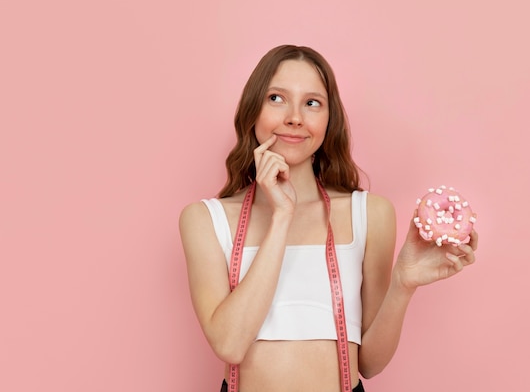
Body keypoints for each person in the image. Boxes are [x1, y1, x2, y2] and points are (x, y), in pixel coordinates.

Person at [179, 44, 477, 392]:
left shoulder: (370, 213)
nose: (295, 117)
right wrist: (281, 217)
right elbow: (229, 345)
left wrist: (403, 284)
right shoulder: (205, 219)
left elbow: (370, 364)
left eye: (312, 103)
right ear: (252, 110)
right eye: (276, 98)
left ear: (328, 120)